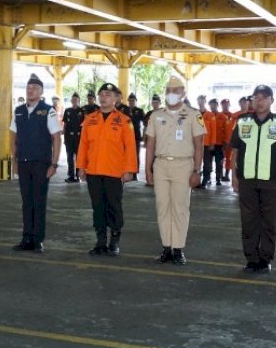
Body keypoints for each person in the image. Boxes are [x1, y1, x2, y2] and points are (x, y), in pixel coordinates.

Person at [230, 85, 276, 273]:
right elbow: (234, 151)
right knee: (248, 221)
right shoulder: (242, 121)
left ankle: (265, 259)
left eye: (264, 98)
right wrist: (233, 176)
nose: (259, 101)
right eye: (256, 97)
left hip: (272, 181)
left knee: (268, 222)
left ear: (271, 100)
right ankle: (251, 259)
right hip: (247, 181)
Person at [144, 75, 205, 265]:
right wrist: (147, 170)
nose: (172, 94)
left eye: (176, 90)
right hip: (161, 165)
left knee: (180, 208)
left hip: (183, 165)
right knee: (162, 207)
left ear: (183, 93)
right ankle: (166, 248)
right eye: (169, 91)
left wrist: (197, 171)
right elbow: (150, 145)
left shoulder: (194, 115)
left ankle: (178, 249)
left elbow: (199, 145)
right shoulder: (156, 115)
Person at [77, 83, 137, 257]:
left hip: (114, 172)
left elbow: (130, 147)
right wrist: (81, 167)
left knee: (114, 206)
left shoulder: (124, 121)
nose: (103, 97)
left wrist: (129, 170)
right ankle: (100, 242)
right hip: (94, 171)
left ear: (116, 98)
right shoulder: (90, 119)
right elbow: (83, 145)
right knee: (98, 207)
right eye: (101, 94)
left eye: (108, 94)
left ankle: (114, 241)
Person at [11, 73, 62, 253]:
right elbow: (13, 137)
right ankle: (26, 238)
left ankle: (38, 240)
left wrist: (54, 164)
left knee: (39, 201)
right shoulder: (18, 111)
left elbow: (56, 138)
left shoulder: (48, 111)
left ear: (41, 92)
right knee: (26, 202)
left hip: (41, 163)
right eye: (28, 88)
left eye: (34, 88)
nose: (30, 90)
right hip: (23, 162)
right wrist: (13, 160)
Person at [62, 93, 85, 183]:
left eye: (76, 99)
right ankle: (71, 176)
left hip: (79, 138)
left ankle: (78, 175)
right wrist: (64, 138)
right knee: (69, 157)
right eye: (73, 99)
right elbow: (65, 124)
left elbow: (85, 125)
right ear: (71, 101)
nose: (74, 101)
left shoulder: (82, 111)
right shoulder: (67, 110)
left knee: (79, 157)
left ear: (79, 101)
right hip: (69, 138)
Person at [127, 93, 145, 180]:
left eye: (133, 101)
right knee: (126, 155)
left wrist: (144, 136)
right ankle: (127, 172)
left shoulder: (139, 111)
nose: (131, 102)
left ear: (135, 101)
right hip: (125, 136)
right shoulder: (125, 110)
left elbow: (145, 122)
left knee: (135, 155)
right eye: (130, 101)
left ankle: (134, 174)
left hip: (136, 136)